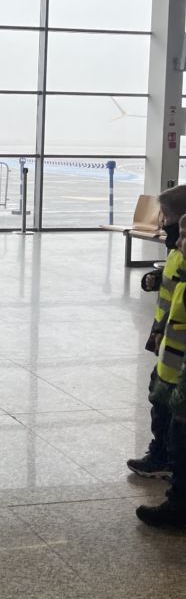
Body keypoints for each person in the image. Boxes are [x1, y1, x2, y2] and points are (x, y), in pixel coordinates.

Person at [138, 216, 186, 527]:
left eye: (184, 236)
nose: (178, 242)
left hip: (181, 379)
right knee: (174, 436)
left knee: (181, 443)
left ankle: (179, 506)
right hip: (171, 369)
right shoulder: (181, 272)